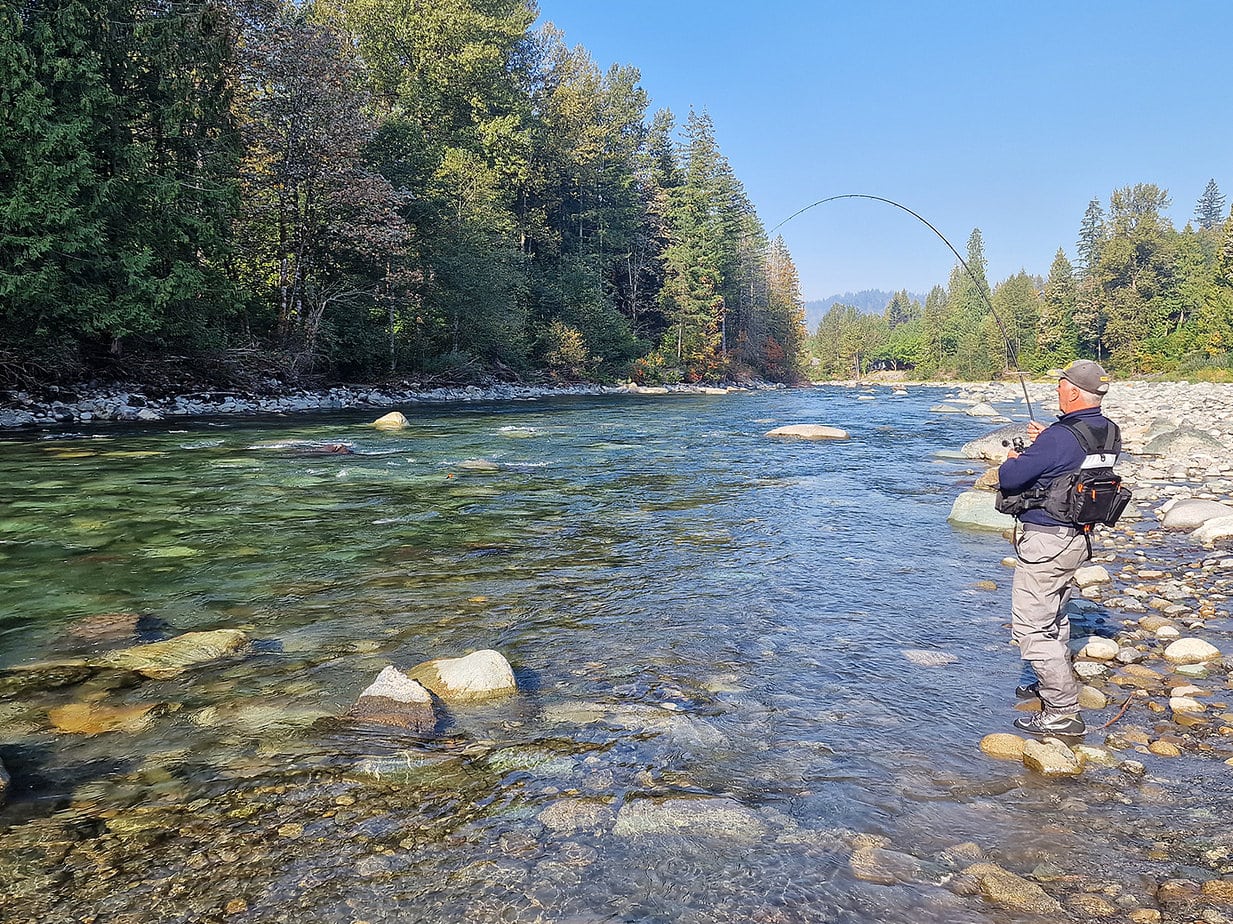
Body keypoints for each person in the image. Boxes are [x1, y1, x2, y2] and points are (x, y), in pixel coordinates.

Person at [996, 359, 1121, 737]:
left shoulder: (1059, 436)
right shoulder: (1109, 431)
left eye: (1061, 385)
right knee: (1055, 617)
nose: (1056, 390)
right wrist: (1046, 440)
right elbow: (1071, 464)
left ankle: (1063, 712)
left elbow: (1012, 477)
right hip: (1078, 538)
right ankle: (1048, 681)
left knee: (1032, 628)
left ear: (1073, 391)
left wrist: (1015, 458)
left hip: (1047, 540)